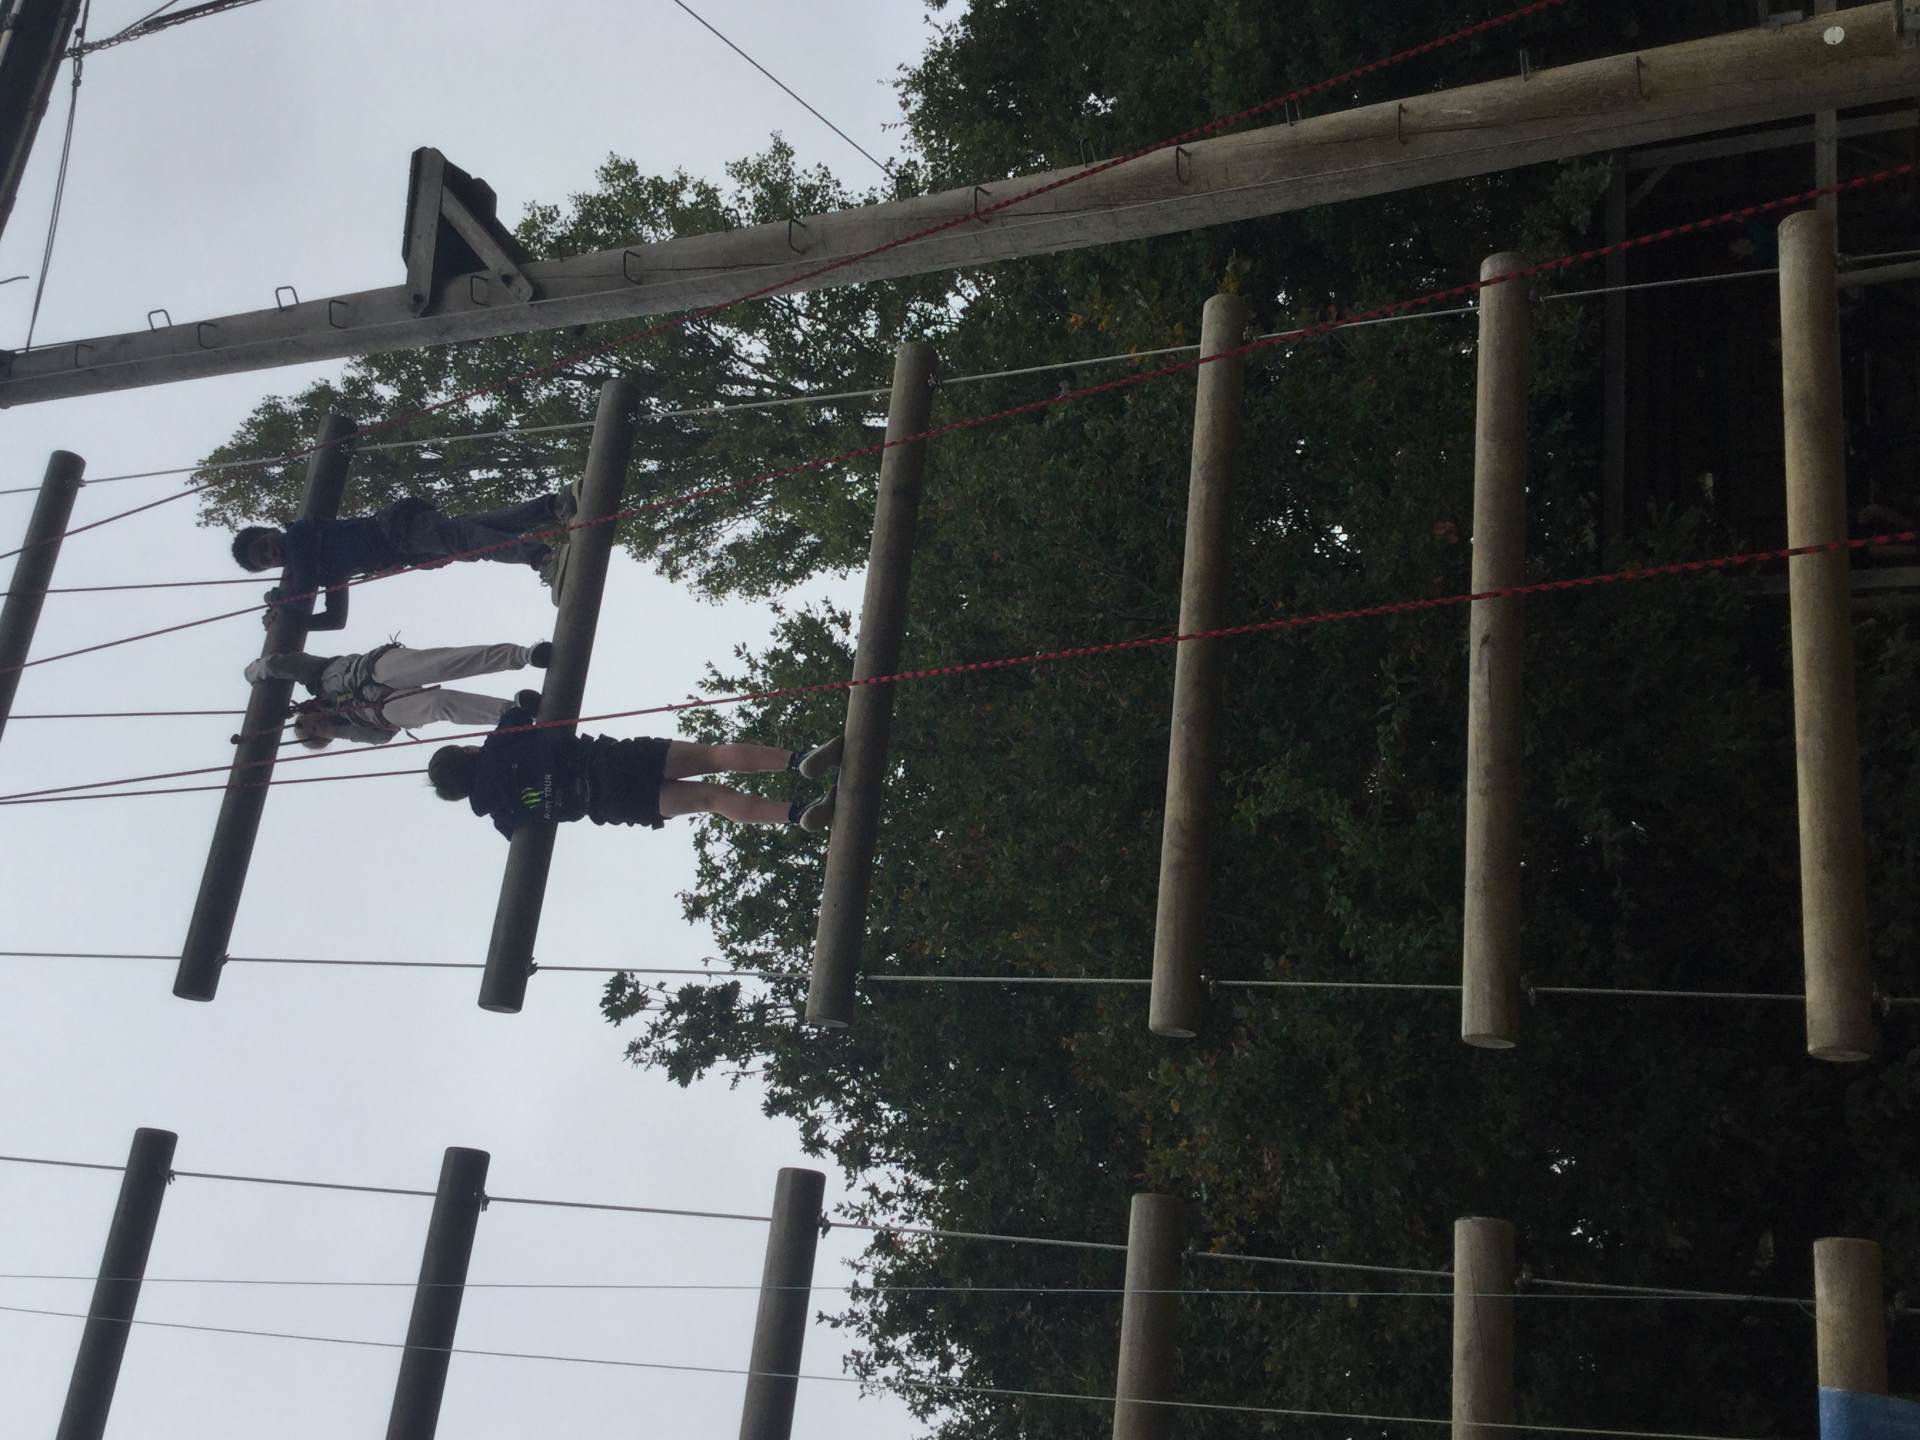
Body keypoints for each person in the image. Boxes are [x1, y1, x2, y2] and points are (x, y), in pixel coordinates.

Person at [426, 702, 845, 837]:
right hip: (606, 760)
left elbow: (523, 834)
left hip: (609, 804)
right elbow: (520, 709)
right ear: (467, 752)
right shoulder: (497, 746)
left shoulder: (502, 816)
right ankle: (798, 760)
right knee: (713, 757)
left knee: (712, 799)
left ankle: (797, 813)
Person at [231, 491, 577, 631]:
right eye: (265, 561)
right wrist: (295, 623)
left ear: (271, 531)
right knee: (473, 531)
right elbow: (336, 619)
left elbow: (303, 589)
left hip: (394, 529)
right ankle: (553, 506)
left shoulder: (299, 536)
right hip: (404, 545)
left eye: (265, 546)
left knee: (467, 541)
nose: (272, 554)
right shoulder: (322, 570)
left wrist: (279, 601)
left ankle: (542, 557)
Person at [245, 639, 553, 749]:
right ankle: (512, 712)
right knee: (438, 705)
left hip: (372, 671)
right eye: (318, 730)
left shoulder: (318, 679)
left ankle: (523, 655)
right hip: (383, 710)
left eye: (313, 722)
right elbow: (382, 737)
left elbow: (288, 664)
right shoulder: (351, 729)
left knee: (441, 663)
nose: (319, 722)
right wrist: (338, 730)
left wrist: (258, 670)